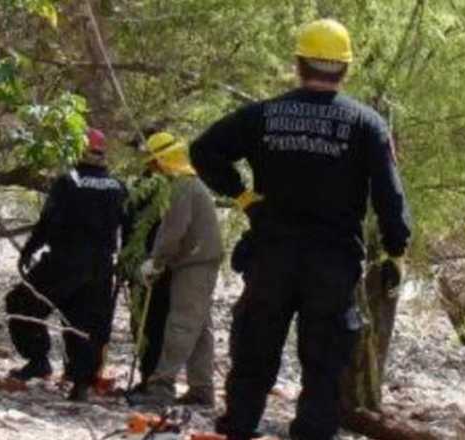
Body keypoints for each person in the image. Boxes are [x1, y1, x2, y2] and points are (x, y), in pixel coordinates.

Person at [190, 18, 412, 440]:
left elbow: (203, 151)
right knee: (324, 363)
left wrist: (243, 197)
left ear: (298, 64)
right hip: (332, 263)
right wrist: (395, 251)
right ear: (346, 69)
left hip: (272, 254)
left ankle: (238, 428)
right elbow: (391, 196)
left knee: (255, 349)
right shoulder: (366, 125)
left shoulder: (264, 115)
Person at [4, 128, 128, 402]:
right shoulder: (119, 187)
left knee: (21, 303)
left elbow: (48, 222)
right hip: (100, 267)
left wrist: (29, 250)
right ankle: (80, 383)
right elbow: (127, 228)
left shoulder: (68, 182)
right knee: (86, 324)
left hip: (64, 261)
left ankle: (38, 360)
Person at [124, 132, 223, 407]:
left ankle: (161, 386)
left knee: (180, 324)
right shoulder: (187, 184)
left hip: (195, 263)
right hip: (198, 261)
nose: (151, 168)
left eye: (153, 162)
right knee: (200, 327)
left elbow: (172, 231)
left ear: (164, 160)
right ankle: (202, 390)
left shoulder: (181, 186)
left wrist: (155, 261)